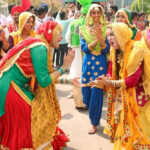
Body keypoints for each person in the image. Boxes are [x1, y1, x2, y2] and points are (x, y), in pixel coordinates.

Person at [0, 20, 75, 150]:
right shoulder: (40, 47)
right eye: (59, 33)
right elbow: (44, 81)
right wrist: (64, 67)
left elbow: (44, 77)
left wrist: (68, 81)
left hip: (15, 85)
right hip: (10, 88)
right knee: (33, 116)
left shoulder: (38, 43)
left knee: (33, 117)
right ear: (50, 34)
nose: (62, 37)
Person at [90, 22, 150, 149]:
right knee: (124, 134)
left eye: (112, 34)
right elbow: (112, 71)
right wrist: (102, 80)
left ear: (122, 34)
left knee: (139, 136)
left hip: (139, 99)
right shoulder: (115, 50)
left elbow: (132, 81)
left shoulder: (136, 50)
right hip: (123, 97)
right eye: (108, 35)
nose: (109, 38)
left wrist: (109, 82)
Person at [80, 4, 109, 134]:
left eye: (98, 12)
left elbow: (107, 49)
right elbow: (84, 49)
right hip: (88, 64)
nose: (96, 15)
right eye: (93, 13)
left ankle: (94, 122)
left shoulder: (107, 29)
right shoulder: (84, 29)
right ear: (90, 15)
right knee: (86, 95)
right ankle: (92, 113)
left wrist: (101, 37)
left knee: (96, 94)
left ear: (101, 14)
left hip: (100, 63)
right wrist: (93, 41)